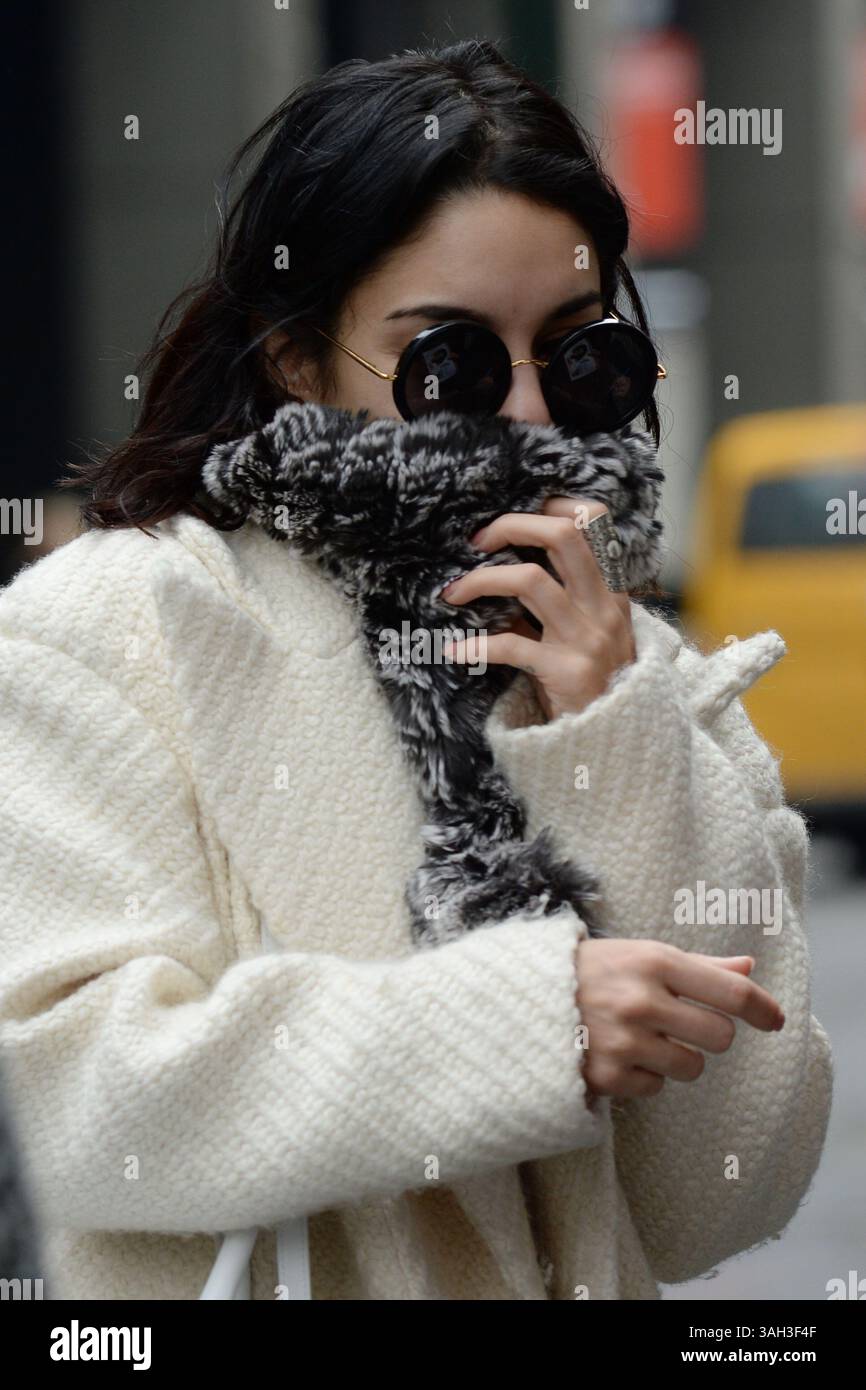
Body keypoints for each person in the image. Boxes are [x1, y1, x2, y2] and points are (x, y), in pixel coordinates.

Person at [0, 39, 832, 1301]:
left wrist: (615, 732)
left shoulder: (640, 668)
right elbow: (60, 1104)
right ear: (293, 353)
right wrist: (517, 1027)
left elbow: (715, 1198)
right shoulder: (126, 624)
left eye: (578, 354)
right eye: (452, 362)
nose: (531, 419)